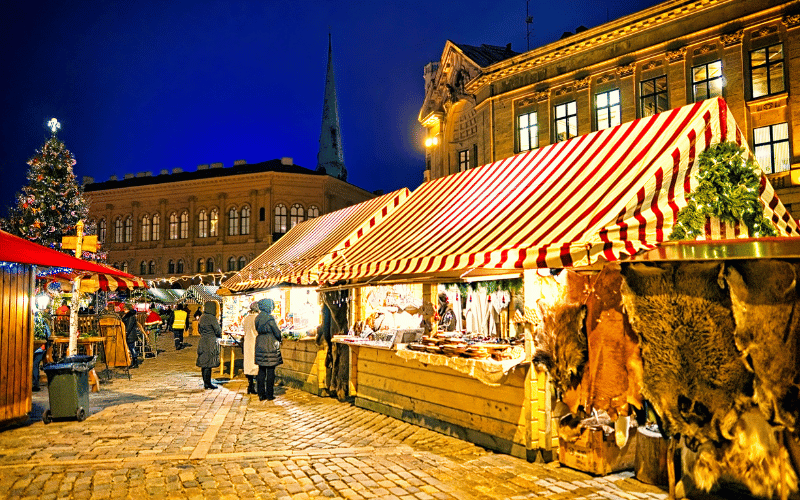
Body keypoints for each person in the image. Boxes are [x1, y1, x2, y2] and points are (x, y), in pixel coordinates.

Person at [254, 298, 283, 401]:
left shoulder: (257, 318)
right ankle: (269, 394)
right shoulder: (270, 318)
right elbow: (277, 332)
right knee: (270, 371)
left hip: (260, 343)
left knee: (261, 370)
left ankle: (261, 394)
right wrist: (280, 338)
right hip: (270, 344)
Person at [196, 301, 221, 389]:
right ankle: (208, 383)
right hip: (210, 341)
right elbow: (218, 331)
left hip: (202, 341)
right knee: (208, 363)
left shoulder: (202, 317)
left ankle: (205, 382)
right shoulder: (212, 318)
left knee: (204, 363)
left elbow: (199, 330)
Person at [242, 302, 260, 395]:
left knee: (248, 364)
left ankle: (250, 385)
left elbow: (244, 330)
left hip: (247, 342)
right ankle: (255, 386)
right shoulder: (258, 318)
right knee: (256, 365)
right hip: (256, 343)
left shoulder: (246, 318)